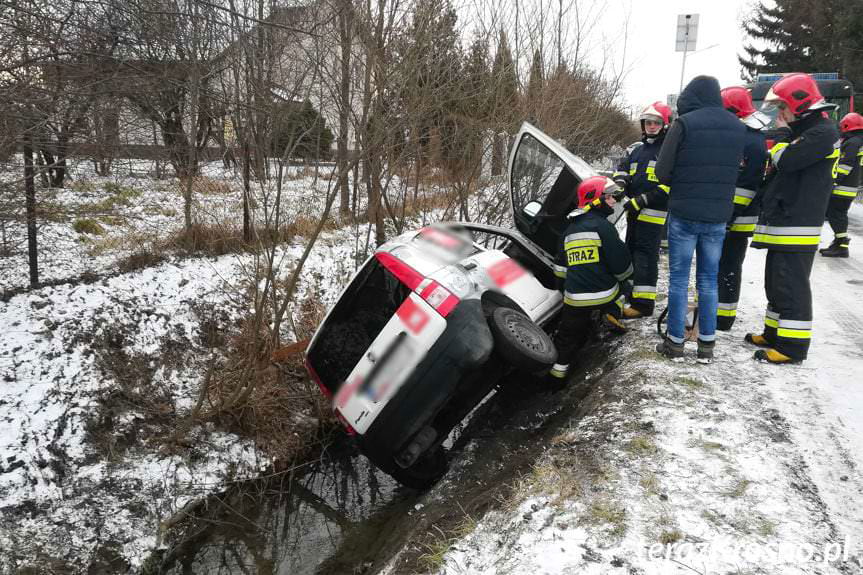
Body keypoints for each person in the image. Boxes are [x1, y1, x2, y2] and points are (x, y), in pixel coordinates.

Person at [747, 73, 840, 364]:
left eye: (783, 107)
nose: (780, 115)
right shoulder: (808, 130)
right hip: (785, 220)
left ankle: (792, 348)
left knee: (792, 284)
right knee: (776, 282)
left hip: (798, 222)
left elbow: (787, 161)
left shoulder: (822, 132)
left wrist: (783, 139)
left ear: (799, 104)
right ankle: (774, 333)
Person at [653, 75, 746, 363]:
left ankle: (676, 343)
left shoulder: (684, 124)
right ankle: (707, 345)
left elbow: (662, 172)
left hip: (684, 213)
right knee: (708, 281)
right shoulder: (737, 127)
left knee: (679, 280)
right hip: (717, 217)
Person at [549, 176, 633, 382]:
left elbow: (560, 271)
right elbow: (620, 265)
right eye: (610, 197)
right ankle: (612, 311)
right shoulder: (604, 227)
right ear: (595, 199)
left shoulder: (567, 233)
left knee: (567, 339)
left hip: (574, 300)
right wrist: (626, 279)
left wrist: (566, 291)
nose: (613, 201)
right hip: (605, 294)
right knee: (625, 282)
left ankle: (555, 379)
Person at [612, 101, 673, 319]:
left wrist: (642, 200)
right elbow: (623, 170)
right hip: (634, 213)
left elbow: (669, 185)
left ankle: (644, 305)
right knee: (631, 253)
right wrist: (619, 186)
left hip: (653, 214)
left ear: (665, 125)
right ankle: (633, 295)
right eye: (648, 122)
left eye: (657, 122)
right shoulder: (638, 149)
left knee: (645, 258)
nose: (652, 126)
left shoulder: (668, 150)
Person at [715, 86, 769, 330]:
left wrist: (729, 215)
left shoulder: (752, 140)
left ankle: (724, 317)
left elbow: (747, 185)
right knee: (718, 263)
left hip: (738, 217)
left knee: (729, 264)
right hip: (727, 213)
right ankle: (716, 310)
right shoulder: (740, 135)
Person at [820, 112, 863, 258]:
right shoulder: (858, 141)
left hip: (843, 187)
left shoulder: (852, 142)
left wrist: (834, 180)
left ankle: (841, 245)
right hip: (850, 186)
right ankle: (840, 242)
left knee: (836, 214)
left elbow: (845, 165)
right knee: (837, 214)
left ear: (846, 125)